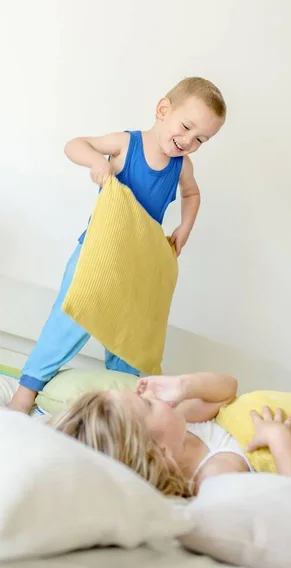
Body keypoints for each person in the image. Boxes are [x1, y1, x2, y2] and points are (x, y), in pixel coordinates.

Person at [9, 78, 226, 415]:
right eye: (186, 127)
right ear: (162, 110)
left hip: (138, 265)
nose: (188, 141)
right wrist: (98, 162)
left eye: (200, 139)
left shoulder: (181, 166)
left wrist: (185, 227)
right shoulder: (127, 144)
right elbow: (75, 144)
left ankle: (119, 411)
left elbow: (192, 194)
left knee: (129, 340)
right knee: (68, 321)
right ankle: (25, 394)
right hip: (97, 256)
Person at [53, 373, 291, 521]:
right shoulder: (217, 476)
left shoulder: (187, 427)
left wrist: (182, 385)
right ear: (158, 453)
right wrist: (279, 439)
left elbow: (227, 388)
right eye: (145, 405)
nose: (149, 395)